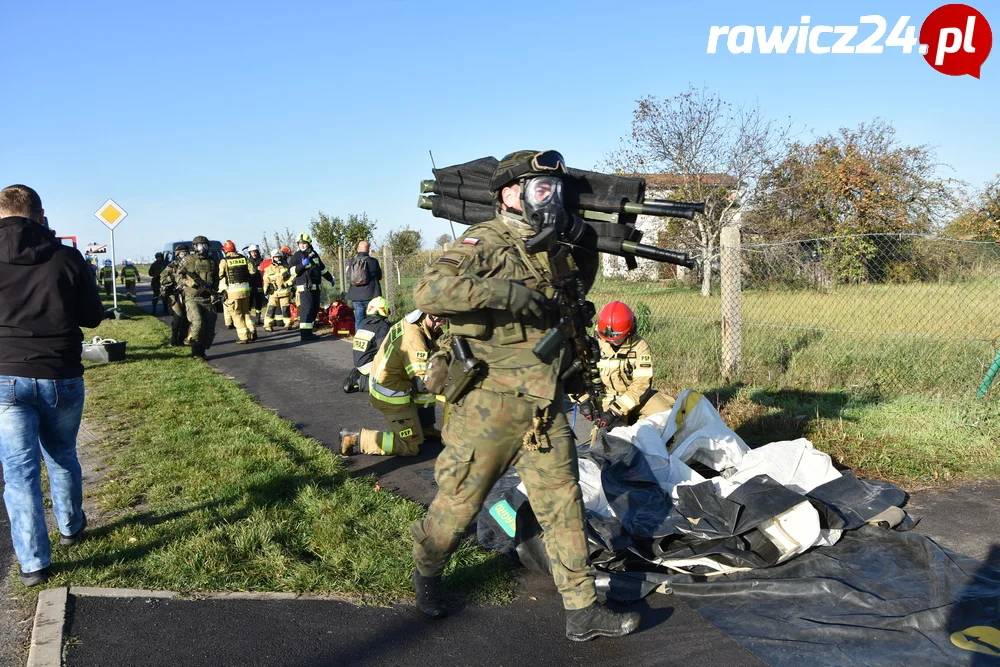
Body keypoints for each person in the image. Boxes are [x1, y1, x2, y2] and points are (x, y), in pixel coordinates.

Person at [407, 150, 640, 641]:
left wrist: (585, 246)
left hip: (543, 401)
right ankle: (427, 569)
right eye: (535, 186)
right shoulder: (486, 241)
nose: (547, 195)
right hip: (489, 402)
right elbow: (430, 292)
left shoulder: (555, 245)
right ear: (507, 194)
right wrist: (505, 295)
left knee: (563, 503)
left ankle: (582, 609)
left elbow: (575, 298)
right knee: (462, 503)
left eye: (552, 187)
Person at [0, 184, 104, 586]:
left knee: (19, 472)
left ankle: (33, 564)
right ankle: (71, 527)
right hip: (60, 372)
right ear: (40, 216)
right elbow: (93, 317)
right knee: (61, 452)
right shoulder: (66, 256)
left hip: (5, 374)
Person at [339, 310, 442, 457]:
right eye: (441, 318)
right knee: (411, 446)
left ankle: (425, 427)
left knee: (426, 392)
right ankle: (354, 438)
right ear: (427, 314)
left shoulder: (414, 322)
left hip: (394, 383)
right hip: (391, 395)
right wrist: (450, 388)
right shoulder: (413, 339)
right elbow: (422, 383)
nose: (442, 322)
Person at [586, 301, 675, 443]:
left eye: (618, 338)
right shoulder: (593, 345)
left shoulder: (640, 347)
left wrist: (615, 411)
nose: (614, 343)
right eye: (608, 339)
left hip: (636, 396)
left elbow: (641, 384)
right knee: (606, 438)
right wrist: (584, 401)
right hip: (606, 398)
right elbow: (577, 376)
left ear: (630, 331)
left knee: (667, 417)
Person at [287, 232, 335, 341]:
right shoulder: (297, 256)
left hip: (316, 287)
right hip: (305, 287)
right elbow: (291, 271)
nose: (302, 245)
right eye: (300, 244)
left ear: (309, 243)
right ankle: (305, 334)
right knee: (306, 310)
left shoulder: (314, 254)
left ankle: (310, 331)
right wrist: (301, 265)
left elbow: (322, 269)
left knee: (314, 309)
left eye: (304, 243)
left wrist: (329, 278)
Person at [180, 235, 219, 359]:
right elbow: (177, 276)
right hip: (192, 297)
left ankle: (202, 350)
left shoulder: (212, 261)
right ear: (195, 246)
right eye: (200, 245)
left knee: (209, 326)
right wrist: (187, 282)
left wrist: (215, 292)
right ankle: (195, 350)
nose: (203, 248)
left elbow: (216, 279)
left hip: (208, 298)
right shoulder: (188, 260)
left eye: (205, 245)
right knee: (198, 323)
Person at [342, 296, 392, 394]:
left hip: (359, 364)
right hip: (370, 366)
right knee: (392, 382)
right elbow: (383, 349)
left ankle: (355, 376)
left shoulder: (364, 324)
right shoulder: (382, 326)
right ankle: (361, 382)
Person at [218, 240, 258, 344]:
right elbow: (253, 271)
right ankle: (252, 330)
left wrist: (221, 291)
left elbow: (220, 275)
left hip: (232, 293)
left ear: (225, 250)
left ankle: (243, 337)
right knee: (246, 312)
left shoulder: (224, 261)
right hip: (245, 292)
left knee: (237, 315)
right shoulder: (244, 259)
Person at [345, 240, 383, 327]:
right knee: (372, 319)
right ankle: (371, 338)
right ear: (368, 250)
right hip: (371, 295)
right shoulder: (373, 261)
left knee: (359, 320)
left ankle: (359, 338)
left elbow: (349, 275)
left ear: (358, 249)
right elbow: (379, 276)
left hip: (356, 296)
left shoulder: (352, 261)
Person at [159, 245, 190, 346]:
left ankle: (181, 339)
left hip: (187, 294)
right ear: (177, 254)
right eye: (181, 253)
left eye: (185, 253)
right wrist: (172, 277)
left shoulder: (191, 265)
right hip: (174, 295)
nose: (184, 255)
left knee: (187, 319)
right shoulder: (172, 266)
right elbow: (162, 280)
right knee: (178, 317)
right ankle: (174, 337)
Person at [262, 247, 294, 331]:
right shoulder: (268, 269)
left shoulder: (285, 267)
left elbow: (292, 278)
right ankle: (268, 325)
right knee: (271, 309)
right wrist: (265, 291)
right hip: (273, 293)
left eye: (279, 257)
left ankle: (288, 324)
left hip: (284, 292)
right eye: (276, 257)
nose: (277, 259)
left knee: (285, 309)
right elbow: (266, 280)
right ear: (272, 258)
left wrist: (287, 284)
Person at [246, 244, 266, 325]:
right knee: (249, 303)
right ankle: (248, 319)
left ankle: (258, 319)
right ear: (249, 253)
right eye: (252, 252)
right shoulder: (247, 261)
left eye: (255, 252)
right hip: (250, 285)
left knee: (259, 303)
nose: (254, 254)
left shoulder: (262, 261)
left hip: (259, 284)